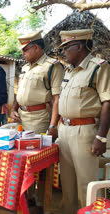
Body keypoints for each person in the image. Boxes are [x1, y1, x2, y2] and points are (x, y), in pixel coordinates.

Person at [10, 31, 64, 211]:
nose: (23, 53)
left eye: (26, 49)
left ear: (36, 47)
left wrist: (52, 125)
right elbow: (19, 92)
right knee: (22, 159)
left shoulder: (52, 66)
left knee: (39, 163)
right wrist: (13, 108)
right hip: (22, 118)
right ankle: (28, 197)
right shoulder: (25, 67)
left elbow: (57, 98)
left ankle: (41, 202)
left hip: (40, 118)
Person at [58, 29, 110, 213]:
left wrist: (101, 138)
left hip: (85, 132)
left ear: (79, 46)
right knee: (67, 184)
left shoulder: (99, 67)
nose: (63, 52)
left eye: (66, 48)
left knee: (85, 184)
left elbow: (107, 102)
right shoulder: (69, 70)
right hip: (64, 130)